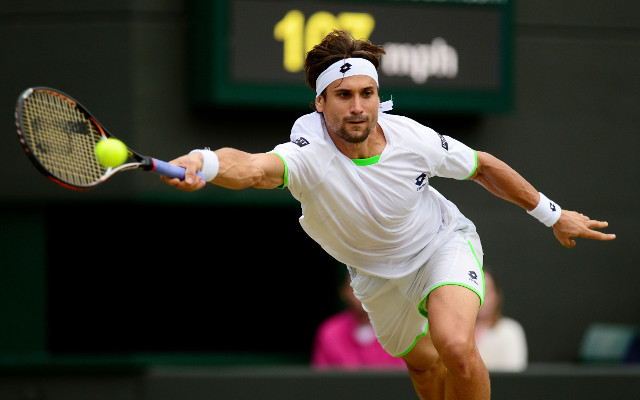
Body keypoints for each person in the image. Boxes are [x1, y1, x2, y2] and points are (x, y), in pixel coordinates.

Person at [162, 30, 615, 400]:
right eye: (343, 96)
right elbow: (254, 168)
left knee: (455, 344)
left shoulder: (411, 138)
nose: (357, 107)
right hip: (376, 277)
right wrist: (207, 162)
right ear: (321, 103)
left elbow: (485, 167)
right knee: (423, 367)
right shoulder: (308, 151)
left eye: (367, 93)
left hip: (441, 244)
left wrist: (553, 216)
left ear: (378, 96)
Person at [311, 273, 407, 370]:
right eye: (356, 287)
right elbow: (323, 379)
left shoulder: (400, 330)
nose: (364, 294)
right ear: (344, 292)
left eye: (371, 287)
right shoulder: (330, 332)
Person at [474, 268, 528, 372]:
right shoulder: (450, 331)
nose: (481, 297)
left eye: (486, 290)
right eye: (475, 290)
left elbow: (513, 374)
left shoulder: (510, 331)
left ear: (497, 296)